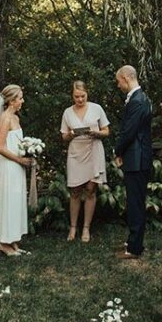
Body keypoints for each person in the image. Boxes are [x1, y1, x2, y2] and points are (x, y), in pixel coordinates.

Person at [0, 84, 33, 256]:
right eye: (20, 98)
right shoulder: (4, 118)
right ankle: (3, 243)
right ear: (11, 101)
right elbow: (0, 147)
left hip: (17, 166)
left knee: (16, 202)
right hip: (9, 166)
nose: (22, 101)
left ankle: (13, 241)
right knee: (8, 202)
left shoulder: (15, 118)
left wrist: (29, 152)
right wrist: (19, 159)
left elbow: (16, 142)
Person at [60, 81, 110, 243]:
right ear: (72, 96)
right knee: (74, 191)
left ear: (87, 94)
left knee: (90, 190)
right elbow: (64, 137)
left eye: (82, 96)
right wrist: (71, 134)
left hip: (94, 150)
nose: (80, 99)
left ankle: (86, 228)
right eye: (76, 97)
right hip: (76, 153)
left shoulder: (97, 108)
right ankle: (73, 227)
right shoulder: (67, 112)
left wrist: (96, 133)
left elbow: (106, 131)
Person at [114, 65, 153, 260]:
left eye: (118, 81)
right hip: (136, 158)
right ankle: (133, 241)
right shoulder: (138, 98)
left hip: (137, 159)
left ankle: (135, 247)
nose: (118, 85)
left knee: (135, 203)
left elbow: (129, 131)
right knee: (134, 201)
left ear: (125, 78)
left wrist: (117, 150)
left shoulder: (137, 100)